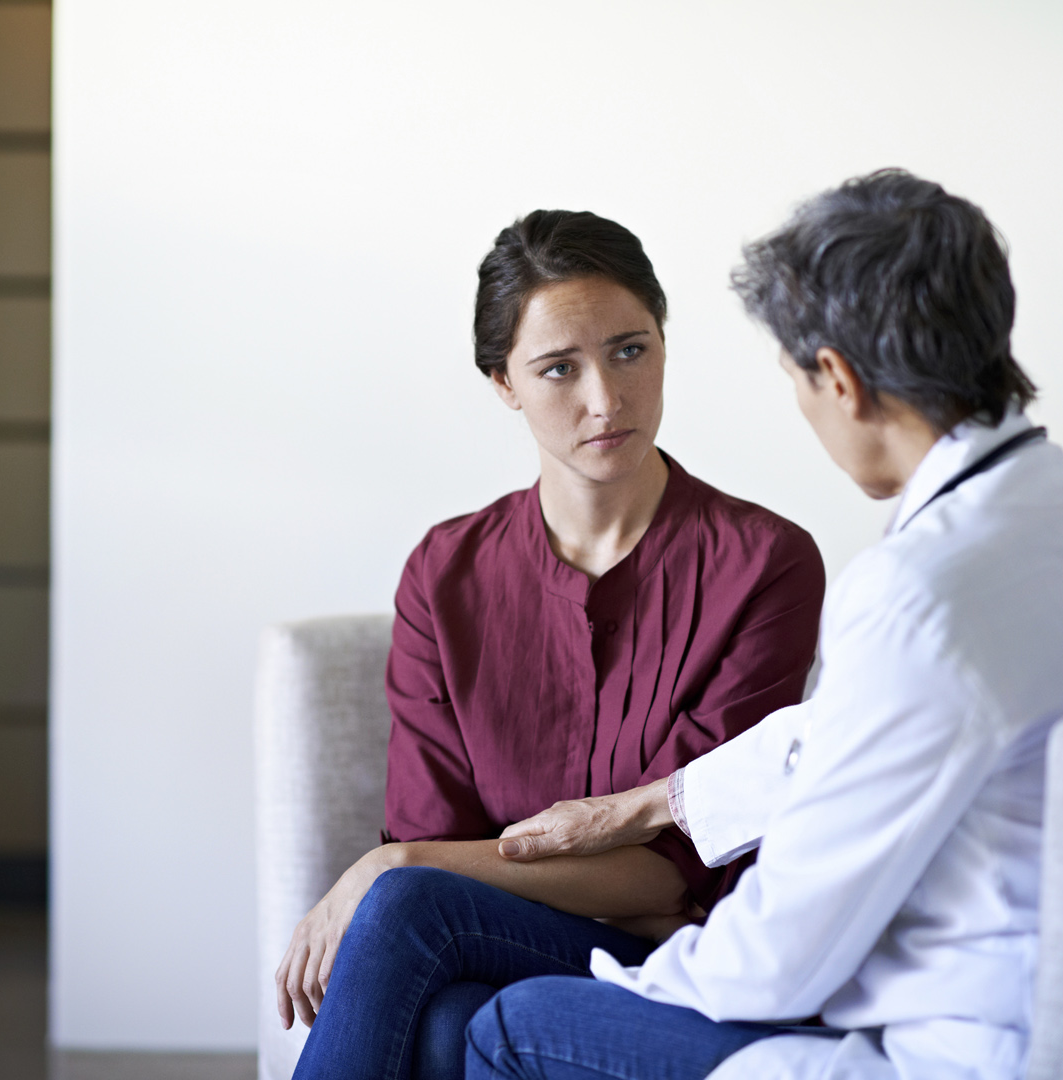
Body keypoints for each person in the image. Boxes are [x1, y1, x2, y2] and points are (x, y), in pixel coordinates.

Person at [469, 169, 1063, 1080]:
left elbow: (778, 957)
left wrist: (634, 973)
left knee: (511, 1025)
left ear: (837, 378)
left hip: (954, 1050)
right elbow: (874, 722)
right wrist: (656, 801)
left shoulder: (919, 595)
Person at [276, 210, 827, 1079]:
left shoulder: (765, 564)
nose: (605, 399)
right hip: (483, 946)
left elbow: (674, 871)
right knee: (449, 1019)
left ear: (664, 343)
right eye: (559, 368)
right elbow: (443, 836)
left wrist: (404, 862)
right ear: (504, 383)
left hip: (682, 966)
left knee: (408, 904)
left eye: (630, 351)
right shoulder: (445, 573)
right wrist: (433, 863)